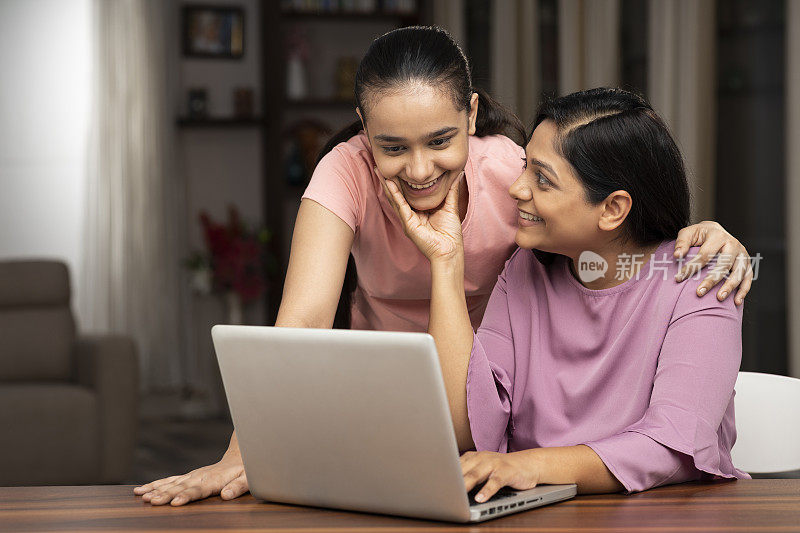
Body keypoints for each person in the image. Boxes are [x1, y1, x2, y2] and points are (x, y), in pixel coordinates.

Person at [134, 27, 752, 506]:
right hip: (440, 413)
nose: (421, 170)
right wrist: (245, 451)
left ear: (474, 118)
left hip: (511, 443)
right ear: (365, 134)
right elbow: (302, 319)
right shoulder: (517, 260)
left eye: (439, 141)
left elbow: (622, 214)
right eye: (392, 147)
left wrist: (701, 234)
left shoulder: (517, 181)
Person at [380, 87, 751, 499]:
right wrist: (446, 263)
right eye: (525, 167)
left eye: (542, 178)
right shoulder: (526, 267)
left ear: (612, 209)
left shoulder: (701, 277)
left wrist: (528, 465)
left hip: (665, 515)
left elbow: (672, 445)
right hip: (538, 514)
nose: (517, 189)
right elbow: (468, 427)